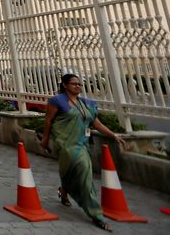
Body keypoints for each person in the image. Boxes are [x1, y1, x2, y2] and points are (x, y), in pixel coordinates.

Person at [40, 73, 127, 232]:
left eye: (80, 84)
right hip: (64, 142)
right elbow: (48, 121)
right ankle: (89, 209)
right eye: (74, 84)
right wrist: (45, 140)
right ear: (65, 85)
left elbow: (97, 124)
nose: (78, 86)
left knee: (82, 172)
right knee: (72, 168)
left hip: (80, 144)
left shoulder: (86, 104)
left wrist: (114, 135)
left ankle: (94, 214)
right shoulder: (57, 101)